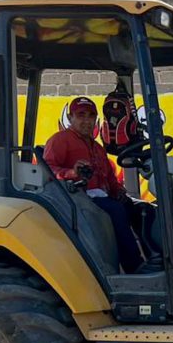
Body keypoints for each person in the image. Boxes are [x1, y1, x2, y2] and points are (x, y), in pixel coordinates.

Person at [43, 96, 156, 273]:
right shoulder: (60, 140)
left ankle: (155, 259)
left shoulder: (97, 148)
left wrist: (118, 191)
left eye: (90, 116)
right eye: (81, 115)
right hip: (77, 199)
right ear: (71, 118)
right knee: (116, 210)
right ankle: (134, 266)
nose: (86, 121)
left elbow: (109, 178)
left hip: (100, 196)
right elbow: (47, 169)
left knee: (144, 210)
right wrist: (72, 173)